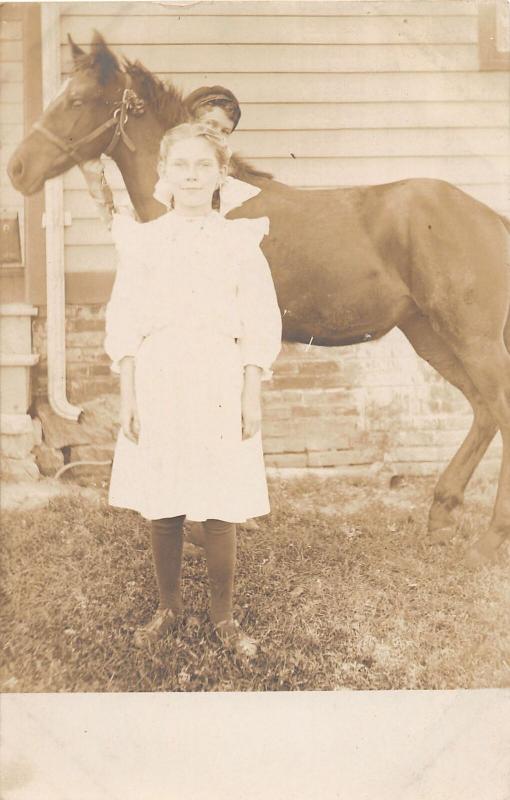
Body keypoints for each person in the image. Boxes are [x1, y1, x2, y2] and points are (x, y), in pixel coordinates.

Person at [104, 123, 282, 658]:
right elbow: (126, 321)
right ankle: (168, 606)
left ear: (219, 174)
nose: (191, 174)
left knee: (220, 498)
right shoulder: (143, 240)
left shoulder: (239, 240)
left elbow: (258, 319)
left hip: (219, 377)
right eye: (181, 165)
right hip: (160, 374)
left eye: (203, 165)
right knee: (165, 496)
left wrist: (251, 389)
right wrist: (128, 395)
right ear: (165, 174)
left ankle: (223, 617)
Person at [153, 85, 261, 217]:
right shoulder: (170, 156)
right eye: (210, 124)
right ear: (188, 122)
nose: (216, 134)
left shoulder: (224, 169)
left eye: (225, 131)